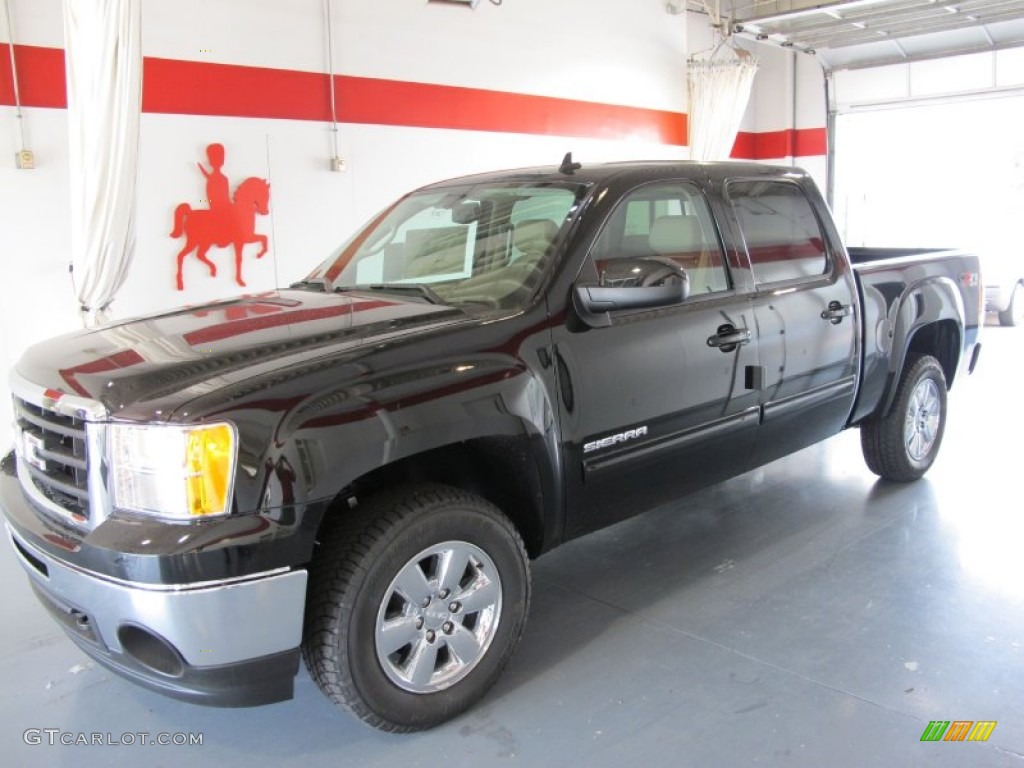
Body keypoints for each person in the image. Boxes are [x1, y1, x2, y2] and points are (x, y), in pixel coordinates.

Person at [197, 143, 231, 226]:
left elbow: (225, 197)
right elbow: (211, 199)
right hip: (218, 207)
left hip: (222, 205)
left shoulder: (222, 178)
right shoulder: (218, 179)